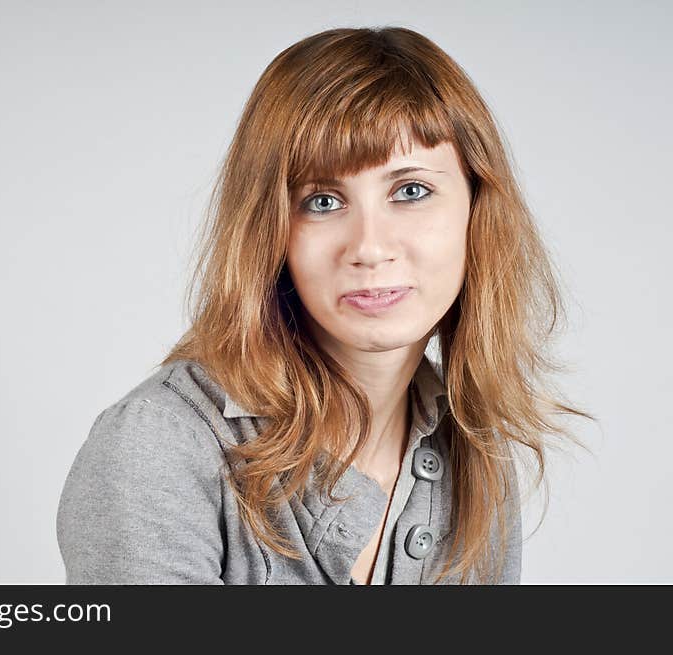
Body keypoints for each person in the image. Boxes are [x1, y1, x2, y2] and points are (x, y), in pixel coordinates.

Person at [56, 25, 595, 585]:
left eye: (410, 190)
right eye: (322, 201)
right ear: (269, 231)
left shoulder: (476, 455)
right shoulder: (160, 444)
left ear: (476, 209)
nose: (369, 247)